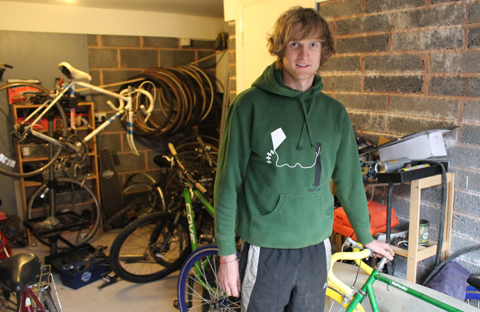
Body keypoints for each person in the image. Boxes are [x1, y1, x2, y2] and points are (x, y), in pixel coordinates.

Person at [214, 6, 394, 312]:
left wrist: (366, 236)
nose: (304, 53)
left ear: (323, 51)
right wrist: (227, 256)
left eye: (313, 44)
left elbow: (349, 181)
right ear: (280, 49)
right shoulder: (249, 106)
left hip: (316, 247)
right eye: (295, 43)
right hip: (266, 246)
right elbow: (227, 184)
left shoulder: (334, 113)